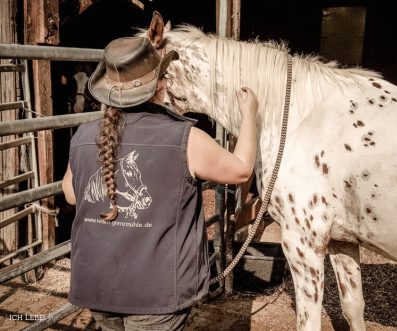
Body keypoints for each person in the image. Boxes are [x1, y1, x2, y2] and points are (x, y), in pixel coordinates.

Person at [62, 36, 258, 331]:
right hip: (157, 294)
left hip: (97, 287)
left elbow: (71, 195)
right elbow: (242, 171)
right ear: (161, 85)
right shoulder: (185, 138)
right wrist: (250, 116)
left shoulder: (83, 135)